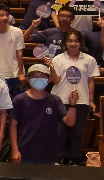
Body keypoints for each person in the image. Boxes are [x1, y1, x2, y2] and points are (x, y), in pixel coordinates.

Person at [8, 63, 77, 164]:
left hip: (48, 154)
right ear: (28, 79)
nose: (38, 79)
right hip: (24, 153)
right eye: (34, 76)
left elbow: (70, 122)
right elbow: (13, 126)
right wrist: (15, 150)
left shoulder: (55, 100)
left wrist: (72, 105)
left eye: (42, 76)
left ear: (48, 80)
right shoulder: (19, 100)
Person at [48, 30, 98, 165]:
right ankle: (60, 156)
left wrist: (91, 100)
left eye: (76, 41)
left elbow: (91, 81)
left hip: (81, 100)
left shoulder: (89, 60)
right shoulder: (57, 59)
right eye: (70, 41)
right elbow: (56, 80)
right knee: (60, 131)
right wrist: (51, 68)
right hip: (60, 98)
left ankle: (74, 158)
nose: (73, 44)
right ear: (65, 43)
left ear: (81, 43)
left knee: (77, 132)